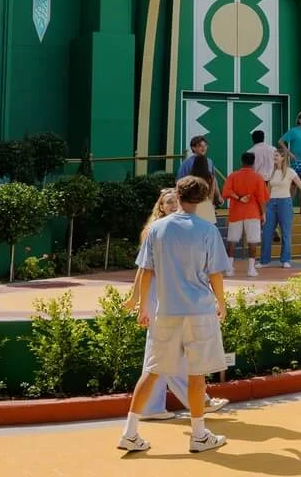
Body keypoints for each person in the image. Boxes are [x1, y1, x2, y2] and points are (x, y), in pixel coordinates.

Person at [117, 177, 229, 455]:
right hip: (199, 310)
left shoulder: (156, 229)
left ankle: (129, 432)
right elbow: (215, 273)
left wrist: (142, 305)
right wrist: (222, 303)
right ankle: (199, 435)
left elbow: (146, 271)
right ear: (203, 200)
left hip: (166, 311)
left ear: (177, 195)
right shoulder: (207, 230)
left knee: (153, 371)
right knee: (196, 374)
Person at [221, 151, 269, 278]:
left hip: (236, 212)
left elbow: (226, 192)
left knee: (232, 240)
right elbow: (262, 198)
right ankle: (251, 269)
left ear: (241, 162)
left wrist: (238, 197)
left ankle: (229, 268)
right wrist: (263, 213)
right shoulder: (258, 177)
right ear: (253, 162)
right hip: (253, 213)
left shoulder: (233, 176)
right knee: (253, 241)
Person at [261, 146, 301, 269]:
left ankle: (285, 259)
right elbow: (267, 191)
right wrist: (263, 209)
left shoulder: (290, 172)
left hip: (285, 202)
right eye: (274, 156)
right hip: (271, 203)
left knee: (286, 232)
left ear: (282, 158)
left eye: (276, 156)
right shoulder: (271, 172)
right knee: (267, 232)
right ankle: (264, 260)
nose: (274, 158)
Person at [176, 136, 220, 225]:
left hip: (206, 201)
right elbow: (179, 182)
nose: (203, 148)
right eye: (200, 145)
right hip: (192, 201)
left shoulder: (209, 161)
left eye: (205, 145)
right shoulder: (187, 163)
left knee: (205, 229)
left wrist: (218, 196)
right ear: (193, 147)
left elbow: (213, 181)